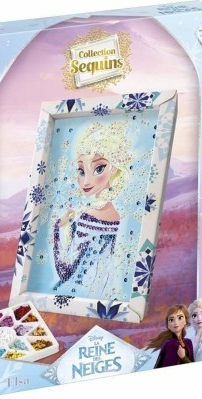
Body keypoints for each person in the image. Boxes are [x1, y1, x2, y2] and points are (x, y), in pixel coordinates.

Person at [52, 121, 133, 299]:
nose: (86, 181)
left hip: (72, 293)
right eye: (81, 171)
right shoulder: (115, 216)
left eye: (98, 169)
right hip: (98, 294)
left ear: (113, 168)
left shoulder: (88, 216)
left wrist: (58, 227)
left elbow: (65, 272)